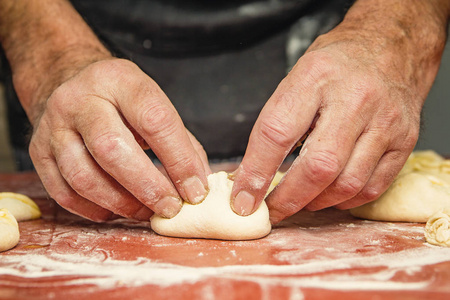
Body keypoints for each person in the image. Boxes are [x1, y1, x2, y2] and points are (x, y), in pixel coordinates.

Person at [0, 0, 448, 224]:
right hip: (83, 27)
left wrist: (397, 32)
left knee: (354, 167)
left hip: (333, 28)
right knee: (85, 167)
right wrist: (55, 56)